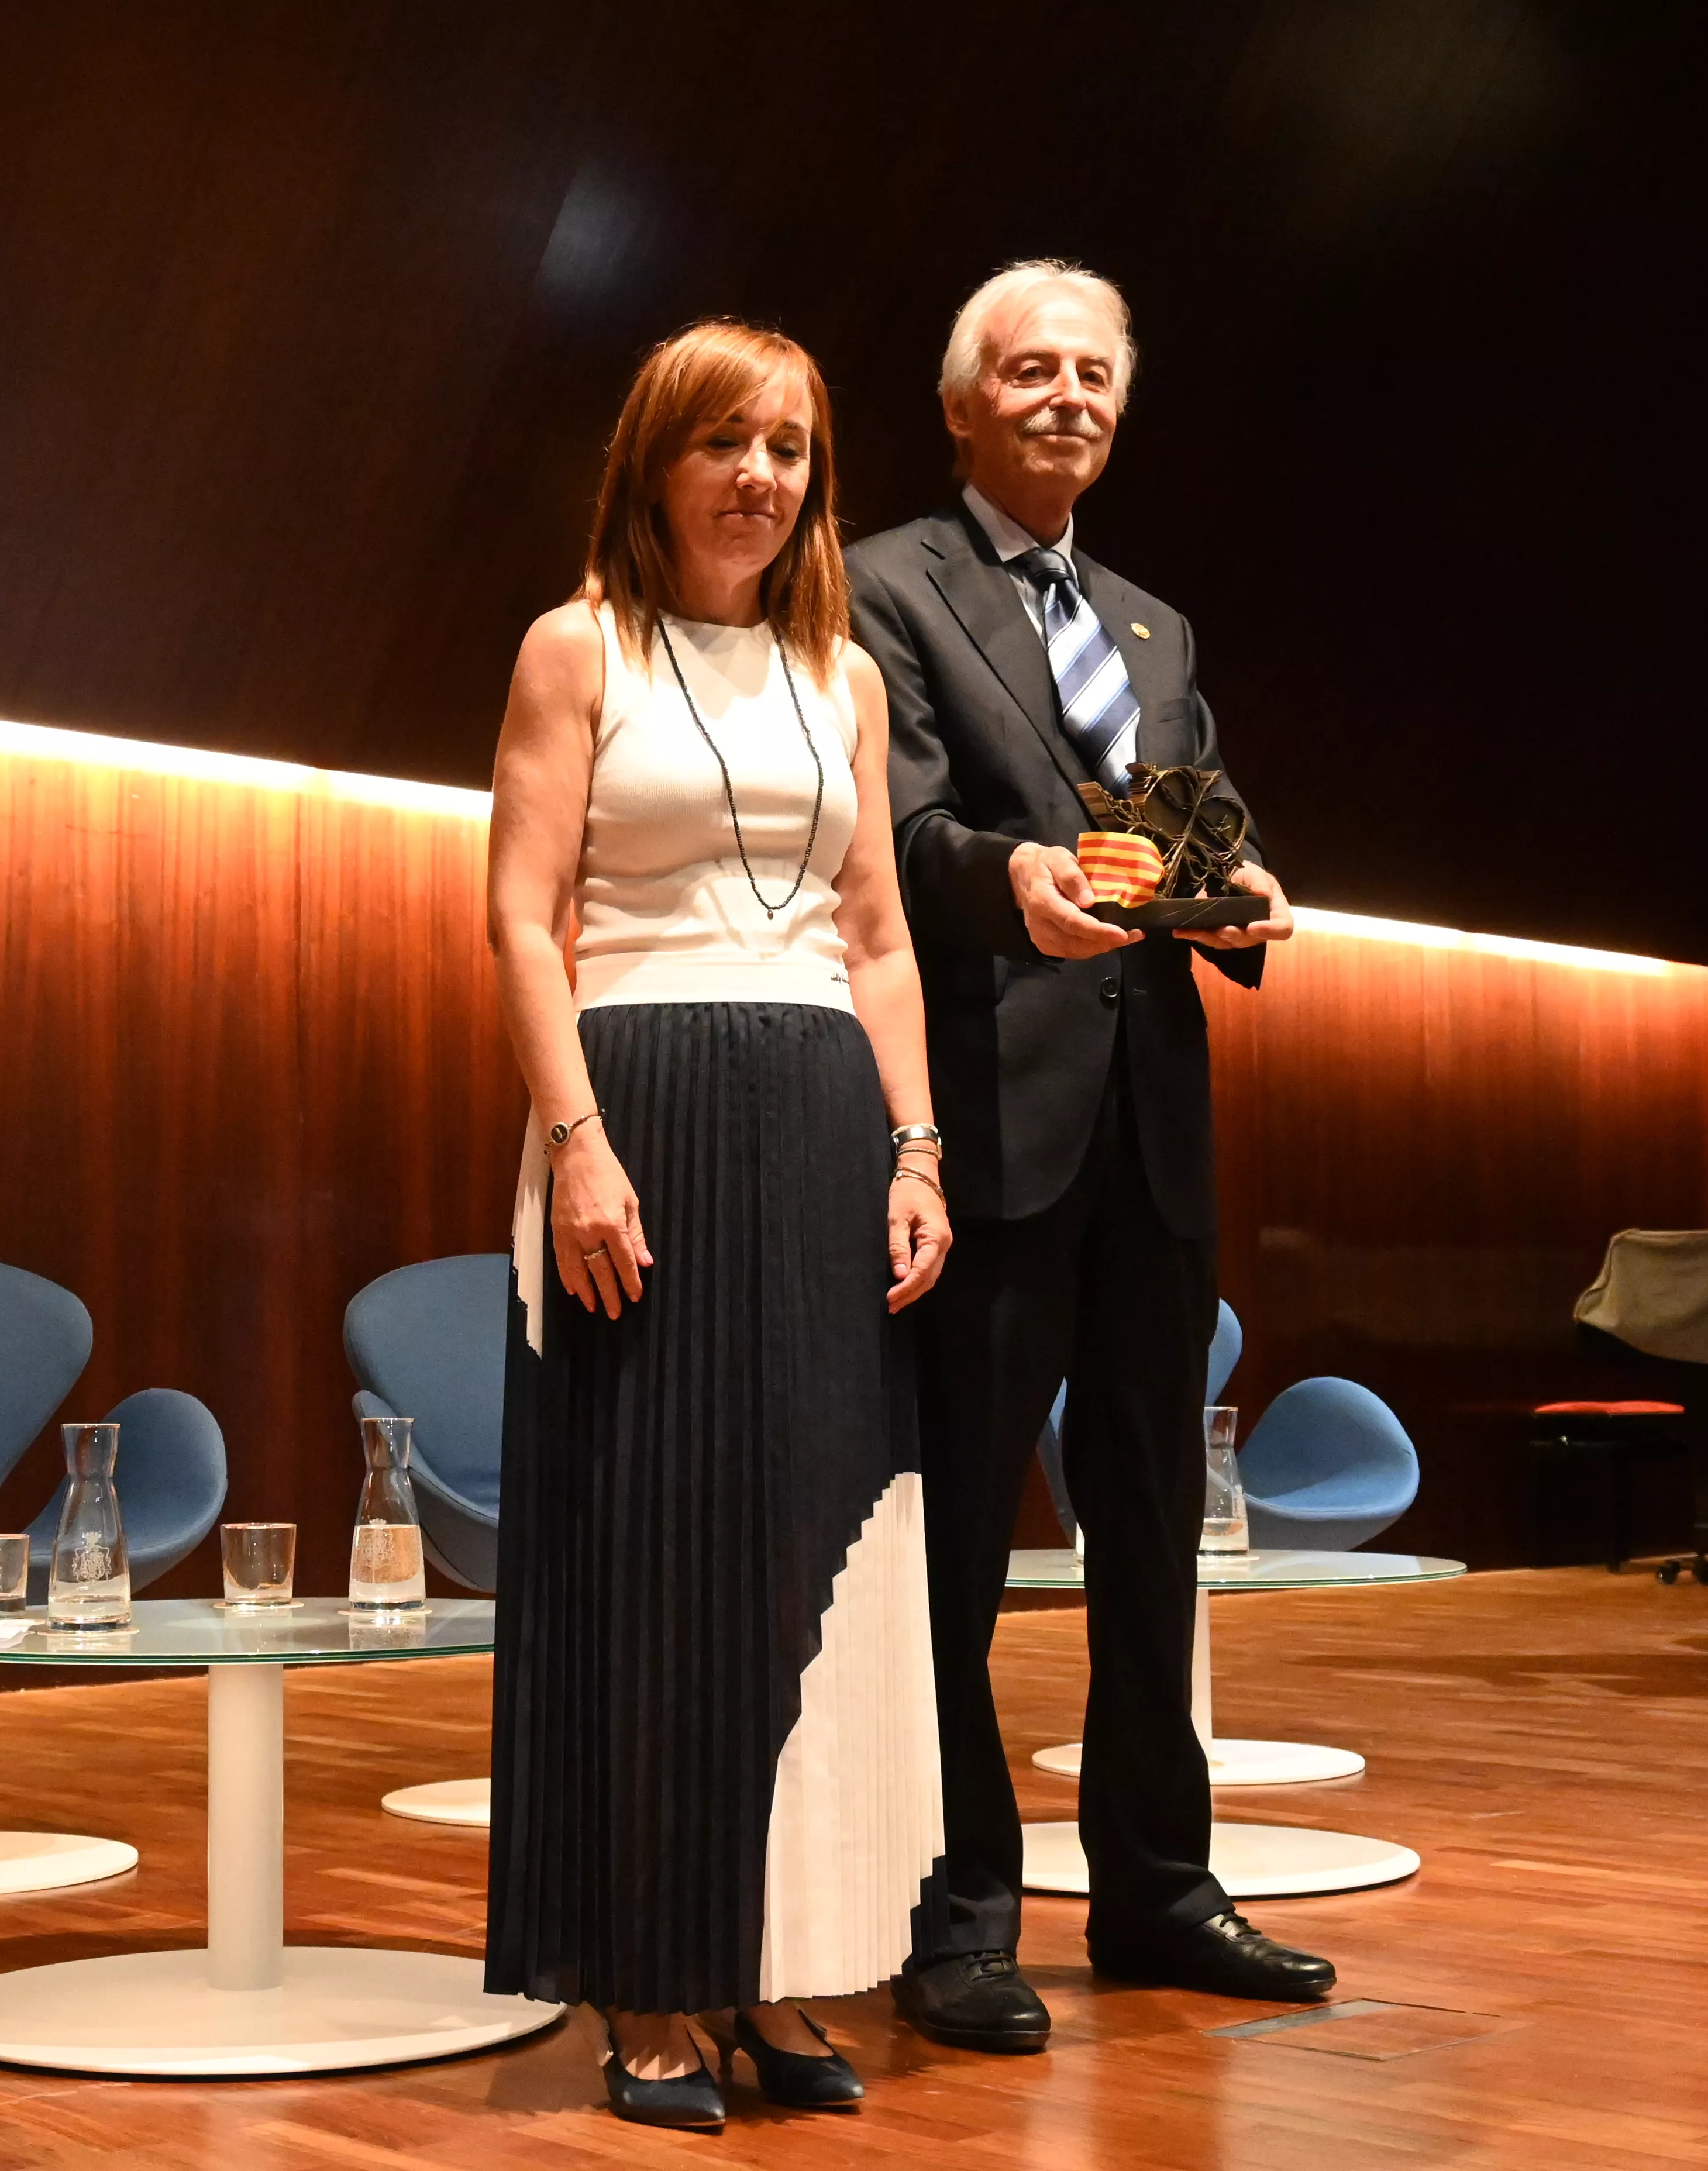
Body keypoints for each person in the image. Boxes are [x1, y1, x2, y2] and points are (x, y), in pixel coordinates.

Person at [846, 259, 1327, 2055]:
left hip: (1151, 1125)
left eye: (1092, 374)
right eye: (1028, 370)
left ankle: (1156, 1890)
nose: (1065, 396)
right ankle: (950, 1909)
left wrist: (1250, 889)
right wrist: (1006, 888)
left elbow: (1191, 821)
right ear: (962, 401)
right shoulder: (882, 583)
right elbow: (894, 829)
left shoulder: (1153, 623)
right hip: (974, 1118)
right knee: (956, 1539)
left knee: (1150, 1532)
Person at [482, 319, 953, 2131]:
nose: (760, 474)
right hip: (638, 1105)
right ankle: (647, 1973)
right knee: (646, 1540)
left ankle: (775, 1958)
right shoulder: (573, 646)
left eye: (788, 444)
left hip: (823, 1113)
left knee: (804, 1554)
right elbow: (524, 919)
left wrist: (914, 1152)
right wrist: (575, 1143)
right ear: (654, 459)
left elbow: (877, 933)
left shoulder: (841, 675)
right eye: (724, 441)